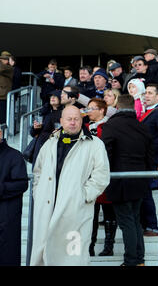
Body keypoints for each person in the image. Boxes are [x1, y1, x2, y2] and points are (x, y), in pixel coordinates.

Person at [30, 105, 110, 265]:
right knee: (43, 254)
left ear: (82, 121)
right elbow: (37, 171)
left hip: (75, 212)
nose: (72, 122)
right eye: (69, 119)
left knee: (73, 257)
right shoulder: (50, 142)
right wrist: (38, 193)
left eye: (76, 119)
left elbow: (101, 176)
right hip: (47, 209)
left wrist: (83, 195)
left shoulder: (94, 144)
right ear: (61, 121)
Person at [102, 94, 154, 266]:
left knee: (127, 222)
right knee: (135, 220)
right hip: (139, 179)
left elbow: (105, 155)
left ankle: (131, 260)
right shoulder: (142, 126)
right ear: (133, 107)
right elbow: (150, 156)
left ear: (117, 106)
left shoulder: (111, 125)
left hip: (120, 180)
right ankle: (139, 260)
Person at [84, 98, 116, 257]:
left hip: (105, 174)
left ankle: (108, 246)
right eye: (87, 108)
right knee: (90, 213)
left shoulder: (109, 126)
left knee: (109, 211)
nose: (88, 111)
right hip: (87, 176)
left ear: (102, 110)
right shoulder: (84, 127)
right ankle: (89, 245)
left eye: (91, 108)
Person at [140, 84, 158, 236]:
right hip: (143, 157)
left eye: (150, 93)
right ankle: (147, 224)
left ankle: (151, 226)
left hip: (149, 157)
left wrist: (150, 148)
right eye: (145, 93)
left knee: (145, 193)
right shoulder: (147, 112)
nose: (146, 95)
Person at [0, 127, 29, 266]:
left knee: (7, 255)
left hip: (7, 218)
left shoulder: (14, 155)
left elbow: (22, 184)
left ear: (0, 134)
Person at [30, 90, 63, 166]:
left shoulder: (64, 113)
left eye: (55, 96)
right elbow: (32, 133)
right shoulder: (44, 112)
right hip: (40, 146)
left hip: (54, 146)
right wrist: (35, 128)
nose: (52, 98)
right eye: (51, 96)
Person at [0, 53, 14, 124]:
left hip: (3, 96)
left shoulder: (9, 68)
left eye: (2, 59)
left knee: (2, 118)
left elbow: (1, 68)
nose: (1, 60)